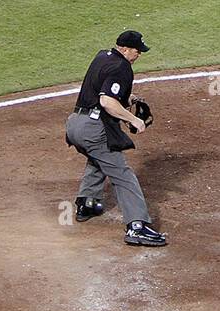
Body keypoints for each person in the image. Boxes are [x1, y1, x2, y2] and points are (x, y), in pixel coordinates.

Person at [64, 30, 166, 247]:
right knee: (122, 174)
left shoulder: (102, 56)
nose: (139, 54)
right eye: (137, 50)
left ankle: (88, 203)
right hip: (92, 127)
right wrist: (133, 120)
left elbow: (100, 89)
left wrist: (129, 98)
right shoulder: (122, 67)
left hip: (75, 124)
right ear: (126, 49)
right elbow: (107, 102)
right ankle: (136, 227)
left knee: (99, 156)